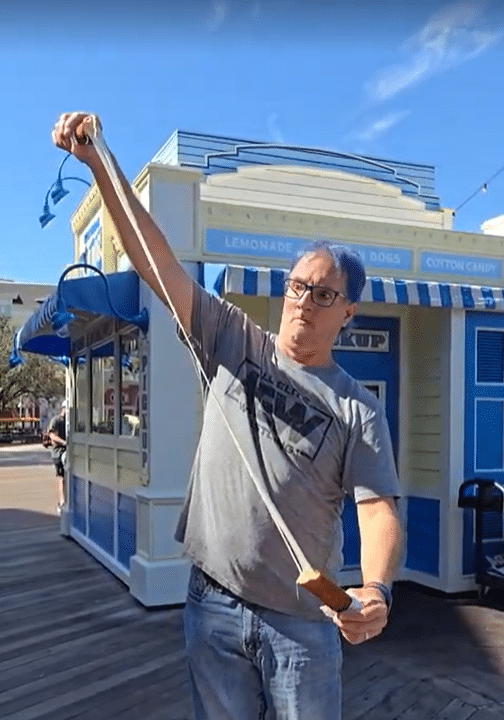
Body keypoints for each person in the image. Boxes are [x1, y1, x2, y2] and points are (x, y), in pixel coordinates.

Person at [52, 113, 403, 720]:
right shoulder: (234, 339)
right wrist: (99, 165)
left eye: (323, 295)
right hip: (210, 603)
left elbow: (377, 509)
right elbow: (157, 263)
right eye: (298, 286)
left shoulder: (357, 407)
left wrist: (375, 590)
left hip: (304, 625)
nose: (305, 302)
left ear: (348, 311)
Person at [47, 400, 67, 512]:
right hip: (58, 453)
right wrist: (64, 443)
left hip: (68, 451)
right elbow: (52, 436)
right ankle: (62, 501)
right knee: (62, 477)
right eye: (67, 408)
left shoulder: (71, 421)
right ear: (63, 409)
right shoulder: (56, 421)